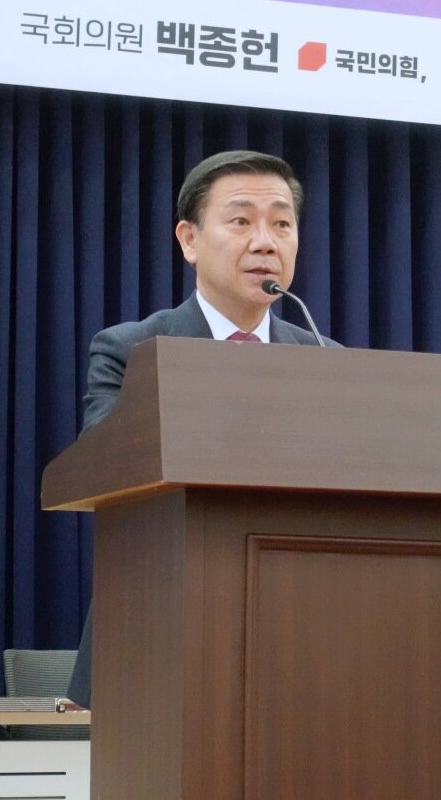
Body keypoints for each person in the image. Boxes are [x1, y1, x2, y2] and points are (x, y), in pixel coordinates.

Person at [67, 149, 340, 707]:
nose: (265, 242)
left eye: (282, 225)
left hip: (300, 627)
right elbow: (106, 464)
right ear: (189, 240)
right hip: (158, 623)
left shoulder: (326, 359)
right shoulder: (132, 350)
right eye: (240, 221)